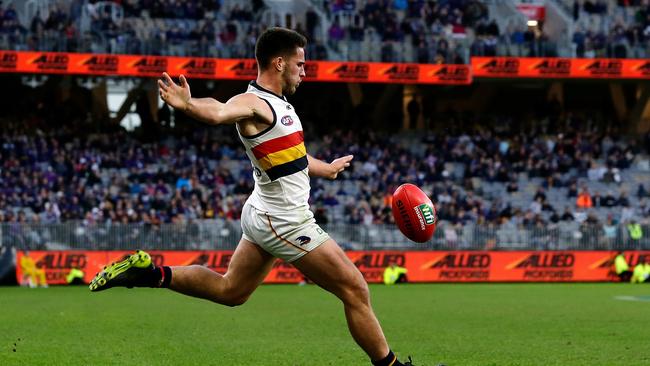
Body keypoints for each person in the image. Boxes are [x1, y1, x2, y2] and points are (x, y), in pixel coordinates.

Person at [89, 28, 414, 366]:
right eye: (300, 64)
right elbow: (219, 110)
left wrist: (326, 168)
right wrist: (189, 105)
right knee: (356, 290)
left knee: (232, 291)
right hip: (285, 221)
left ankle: (150, 274)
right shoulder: (254, 102)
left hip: (262, 212)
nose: (304, 71)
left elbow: (294, 156)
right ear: (279, 63)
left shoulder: (280, 104)